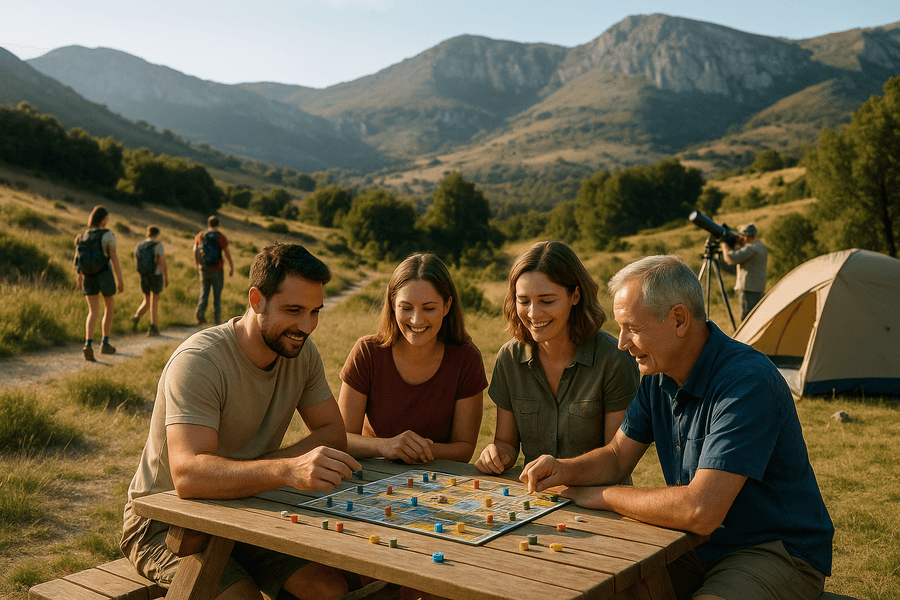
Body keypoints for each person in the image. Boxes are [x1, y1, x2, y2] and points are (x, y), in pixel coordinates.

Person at [521, 254, 833, 600]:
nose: (622, 343)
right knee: (592, 583)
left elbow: (700, 510)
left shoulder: (746, 382)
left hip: (774, 550)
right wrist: (564, 469)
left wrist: (598, 495)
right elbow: (617, 456)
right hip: (694, 544)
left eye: (632, 328)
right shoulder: (659, 374)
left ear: (679, 319)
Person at [121, 242, 361, 600]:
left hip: (248, 506)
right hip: (165, 522)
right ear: (255, 300)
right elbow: (188, 476)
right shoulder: (200, 361)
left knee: (329, 589)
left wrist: (263, 474)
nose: (306, 326)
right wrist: (286, 469)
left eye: (315, 311)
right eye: (293, 309)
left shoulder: (301, 352)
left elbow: (333, 433)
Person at [475, 241, 639, 475]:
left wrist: (563, 470)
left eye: (547, 301)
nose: (533, 313)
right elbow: (506, 443)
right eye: (524, 301)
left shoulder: (613, 358)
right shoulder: (508, 358)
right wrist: (496, 453)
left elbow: (617, 457)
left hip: (599, 499)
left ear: (575, 295)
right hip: (537, 496)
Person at [338, 253, 487, 464]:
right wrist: (386, 446)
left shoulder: (466, 359)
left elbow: (464, 449)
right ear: (392, 304)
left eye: (429, 308)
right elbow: (340, 439)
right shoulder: (367, 352)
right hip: (370, 478)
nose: (416, 319)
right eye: (406, 308)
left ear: (447, 306)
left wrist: (413, 449)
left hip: (437, 482)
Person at [73, 205, 124, 361]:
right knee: (109, 307)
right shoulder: (107, 235)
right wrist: (120, 279)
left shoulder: (83, 236)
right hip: (104, 275)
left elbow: (78, 261)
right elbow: (113, 257)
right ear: (103, 219)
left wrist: (80, 279)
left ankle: (88, 344)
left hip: (88, 277)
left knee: (92, 312)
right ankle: (105, 343)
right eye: (106, 218)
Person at [193, 215, 234, 325]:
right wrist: (231, 267)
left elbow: (195, 250)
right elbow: (227, 252)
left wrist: (198, 264)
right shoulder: (220, 236)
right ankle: (217, 321)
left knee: (204, 292)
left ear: (209, 224)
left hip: (204, 268)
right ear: (218, 224)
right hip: (217, 269)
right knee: (217, 295)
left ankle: (200, 313)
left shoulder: (201, 235)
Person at [722, 223, 768, 320]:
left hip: (748, 289)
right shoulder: (760, 246)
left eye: (741, 236)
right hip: (758, 288)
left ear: (745, 236)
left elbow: (731, 258)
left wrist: (724, 244)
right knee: (755, 317)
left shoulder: (751, 248)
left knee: (747, 318)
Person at [131, 225, 169, 337]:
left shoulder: (139, 246)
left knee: (147, 300)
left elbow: (136, 261)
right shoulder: (158, 245)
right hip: (155, 275)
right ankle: (153, 327)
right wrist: (165, 276)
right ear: (157, 234)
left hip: (143, 275)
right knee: (154, 300)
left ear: (148, 233)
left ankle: (136, 317)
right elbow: (161, 260)